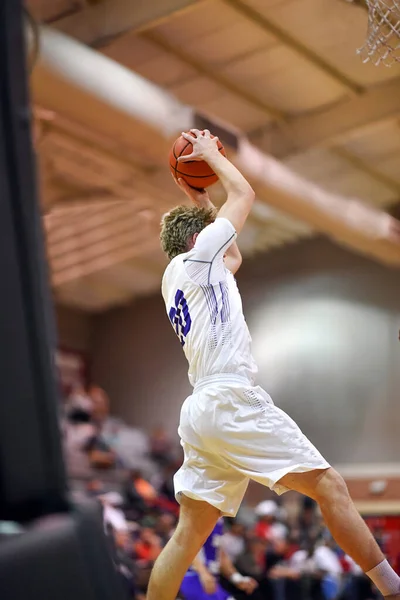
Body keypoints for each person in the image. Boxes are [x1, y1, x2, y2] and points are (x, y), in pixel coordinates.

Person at [147, 128, 400, 600]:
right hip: (230, 398)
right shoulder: (202, 257)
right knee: (330, 487)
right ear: (201, 238)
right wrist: (209, 159)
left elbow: (234, 255)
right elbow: (244, 192)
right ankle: (392, 588)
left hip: (200, 410)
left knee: (187, 536)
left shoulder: (182, 276)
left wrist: (196, 192)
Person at [180, 517, 258, 600]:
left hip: (212, 579)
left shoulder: (219, 519)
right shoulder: (203, 509)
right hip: (193, 576)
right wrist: (203, 573)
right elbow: (186, 545)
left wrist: (237, 578)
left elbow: (220, 554)